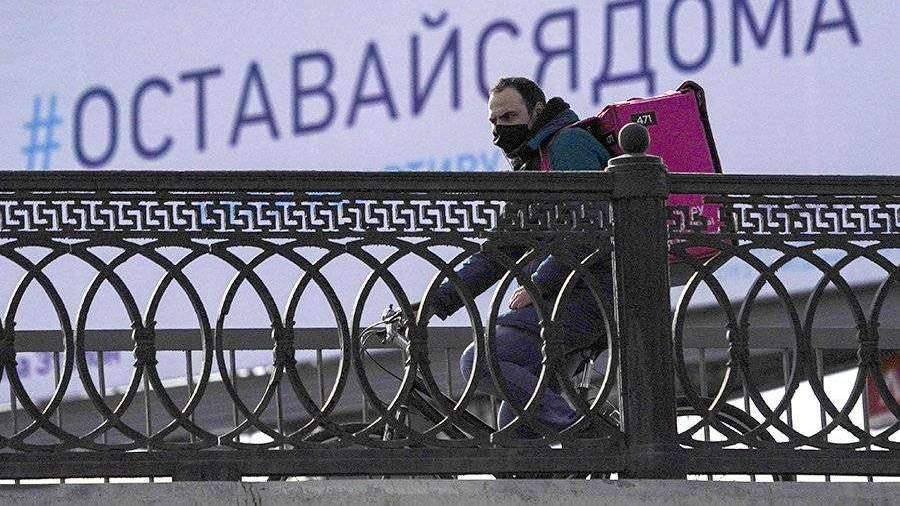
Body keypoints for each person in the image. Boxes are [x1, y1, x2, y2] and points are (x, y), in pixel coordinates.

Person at [414, 77, 614, 437]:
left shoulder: (568, 145)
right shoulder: (533, 165)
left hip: (595, 293)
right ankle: (576, 465)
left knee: (482, 359)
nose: (500, 129)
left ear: (537, 111)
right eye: (494, 121)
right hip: (566, 295)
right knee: (515, 433)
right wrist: (435, 302)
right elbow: (498, 253)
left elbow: (589, 228)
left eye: (509, 117)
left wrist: (539, 282)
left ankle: (585, 433)